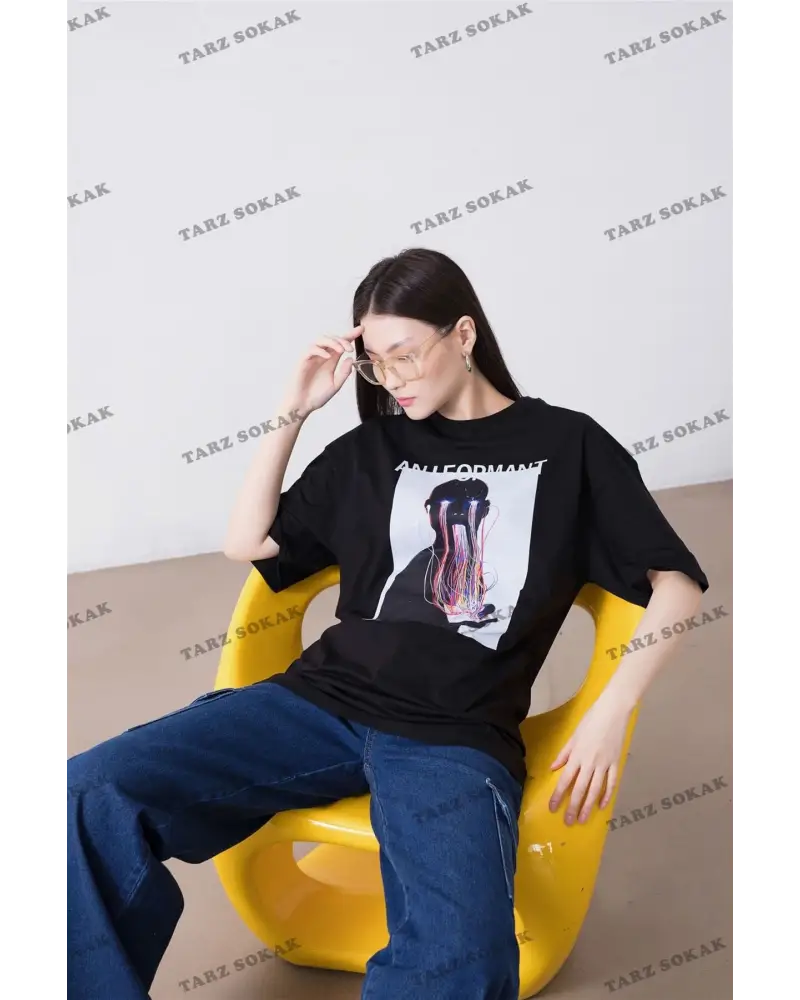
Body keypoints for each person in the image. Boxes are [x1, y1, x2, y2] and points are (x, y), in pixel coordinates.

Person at [65, 248, 709, 1000]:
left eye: (405, 355)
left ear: (463, 334)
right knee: (86, 793)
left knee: (459, 958)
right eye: (375, 364)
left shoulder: (569, 446)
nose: (392, 379)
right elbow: (249, 543)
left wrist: (609, 713)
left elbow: (676, 584)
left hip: (453, 734)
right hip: (316, 704)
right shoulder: (371, 450)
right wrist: (294, 411)